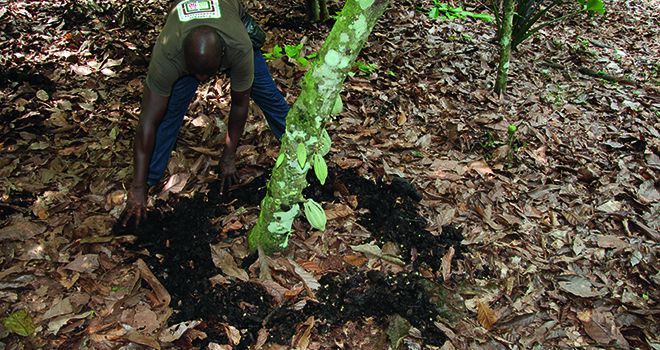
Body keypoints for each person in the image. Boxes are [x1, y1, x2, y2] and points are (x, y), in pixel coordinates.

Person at [120, 0, 289, 226]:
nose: (203, 82)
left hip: (232, 29)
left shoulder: (239, 47)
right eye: (196, 74)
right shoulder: (168, 55)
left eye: (207, 73)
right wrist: (137, 187)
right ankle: (149, 179)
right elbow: (148, 121)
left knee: (268, 96)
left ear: (222, 57)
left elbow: (240, 104)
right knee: (169, 113)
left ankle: (302, 148)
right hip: (186, 51)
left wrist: (228, 158)